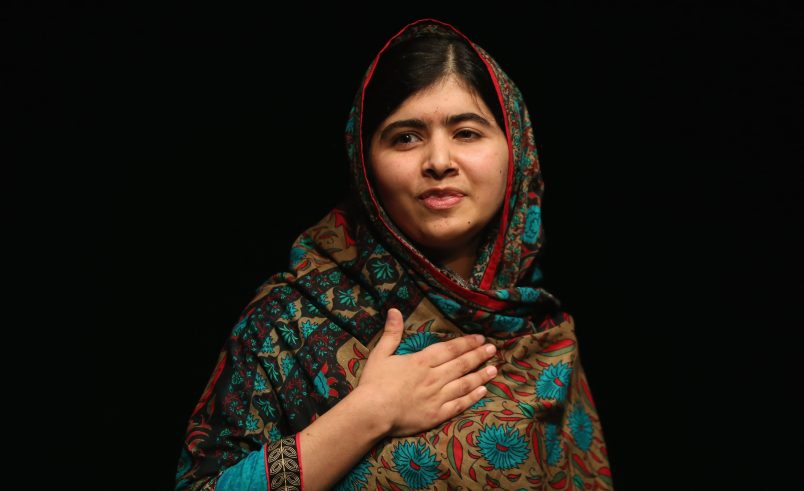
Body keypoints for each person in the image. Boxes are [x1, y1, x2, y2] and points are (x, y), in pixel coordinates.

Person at [175, 18, 612, 491]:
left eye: (467, 132)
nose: (439, 161)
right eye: (405, 137)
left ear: (516, 152)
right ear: (365, 165)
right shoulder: (287, 323)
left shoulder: (540, 334)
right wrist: (369, 412)